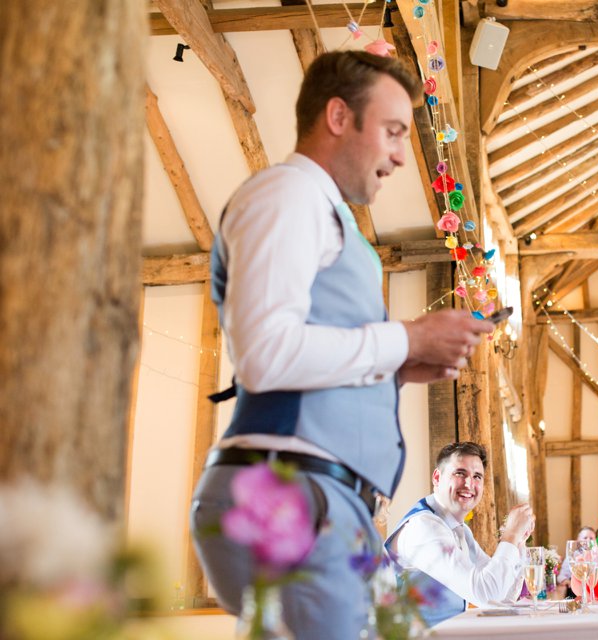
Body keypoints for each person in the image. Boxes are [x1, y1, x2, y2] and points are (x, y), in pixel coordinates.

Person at [189, 51, 494, 639]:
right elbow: (265, 352)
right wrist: (403, 337)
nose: (403, 155)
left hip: (327, 501)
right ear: (337, 116)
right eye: (393, 131)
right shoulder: (285, 194)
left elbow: (314, 353)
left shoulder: (332, 220)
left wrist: (399, 366)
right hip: (286, 491)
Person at [385, 442, 535, 627]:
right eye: (460, 473)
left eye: (477, 476)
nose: (469, 484)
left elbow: (502, 597)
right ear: (437, 477)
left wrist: (518, 542)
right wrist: (510, 535)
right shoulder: (424, 528)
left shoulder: (459, 530)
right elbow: (487, 595)